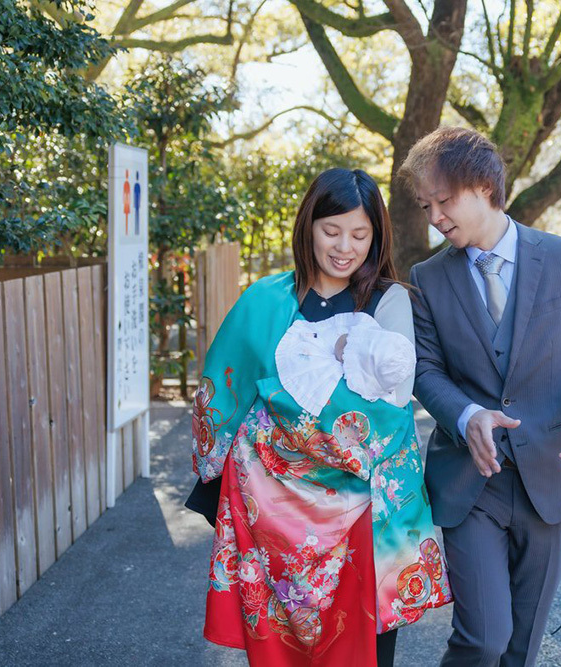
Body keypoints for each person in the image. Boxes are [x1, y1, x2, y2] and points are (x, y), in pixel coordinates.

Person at [187, 168, 451, 666]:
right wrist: (223, 456)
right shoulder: (264, 301)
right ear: (308, 226)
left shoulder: (389, 301)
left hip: (361, 519)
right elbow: (223, 389)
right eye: (331, 230)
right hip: (274, 519)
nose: (344, 247)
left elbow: (391, 409)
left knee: (365, 650)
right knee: (279, 651)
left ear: (376, 237)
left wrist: (275, 417)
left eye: (359, 234)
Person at [400, 127, 561, 667]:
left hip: (550, 473)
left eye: (443, 200)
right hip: (470, 484)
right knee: (483, 640)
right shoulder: (426, 278)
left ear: (482, 186)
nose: (434, 216)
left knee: (521, 648)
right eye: (425, 205)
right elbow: (423, 370)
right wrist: (467, 414)